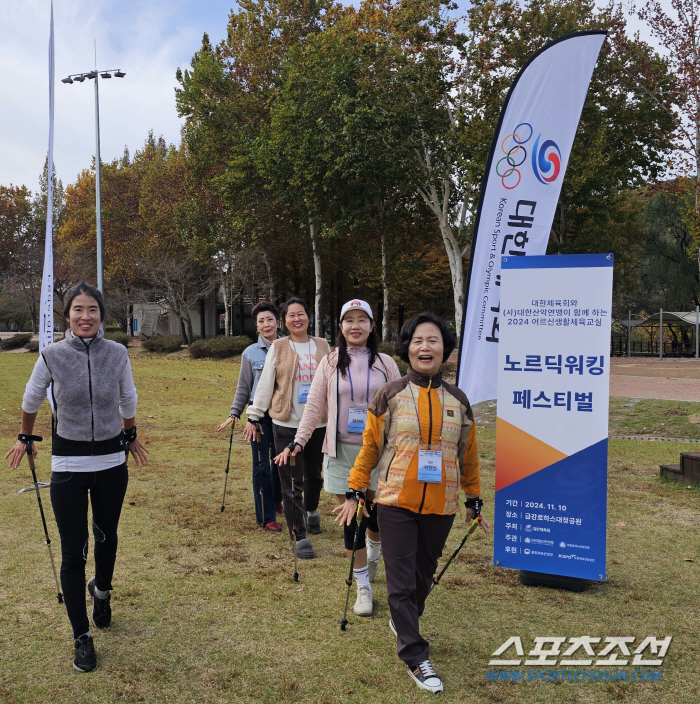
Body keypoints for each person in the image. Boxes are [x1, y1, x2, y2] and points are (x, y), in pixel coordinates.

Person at [334, 312, 488, 693]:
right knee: (401, 582)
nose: (425, 347)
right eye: (418, 340)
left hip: (443, 505)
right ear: (406, 348)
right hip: (394, 501)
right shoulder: (389, 395)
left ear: (444, 349)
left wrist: (474, 498)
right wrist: (355, 490)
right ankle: (415, 655)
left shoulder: (458, 399)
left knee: (422, 577)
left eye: (433, 340)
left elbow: (467, 454)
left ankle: (405, 619)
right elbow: (370, 449)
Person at [4, 282, 149, 673]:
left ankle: (101, 591)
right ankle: (80, 635)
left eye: (93, 310)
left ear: (102, 315)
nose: (86, 317)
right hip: (68, 465)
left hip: (110, 463)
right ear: (67, 315)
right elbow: (31, 399)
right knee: (74, 550)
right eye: (78, 310)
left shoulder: (117, 353)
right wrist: (26, 437)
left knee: (106, 535)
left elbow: (128, 398)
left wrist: (130, 434)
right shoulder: (52, 355)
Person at [276, 299, 400, 616]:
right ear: (341, 327)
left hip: (379, 452)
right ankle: (363, 587)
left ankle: (372, 555)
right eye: (349, 320)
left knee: (375, 514)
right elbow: (314, 407)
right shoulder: (330, 363)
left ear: (372, 326)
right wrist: (299, 442)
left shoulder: (386, 363)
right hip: (342, 451)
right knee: (353, 516)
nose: (355, 325)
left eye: (362, 320)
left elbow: (400, 408)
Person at [243, 297, 330, 559]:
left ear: (308, 317)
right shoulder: (279, 348)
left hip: (319, 424)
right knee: (292, 482)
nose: (297, 319)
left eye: (301, 314)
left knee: (314, 476)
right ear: (285, 321)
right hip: (286, 424)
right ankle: (299, 534)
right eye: (291, 315)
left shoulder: (324, 346)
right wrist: (254, 415)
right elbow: (266, 385)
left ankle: (312, 511)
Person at [217, 301, 284, 531]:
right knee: (261, 463)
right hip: (259, 416)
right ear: (256, 327)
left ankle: (276, 499)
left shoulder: (290, 347)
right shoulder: (250, 353)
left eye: (270, 320)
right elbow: (244, 387)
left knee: (281, 463)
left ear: (278, 322)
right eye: (261, 321)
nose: (266, 325)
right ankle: (266, 516)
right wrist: (235, 413)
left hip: (285, 414)